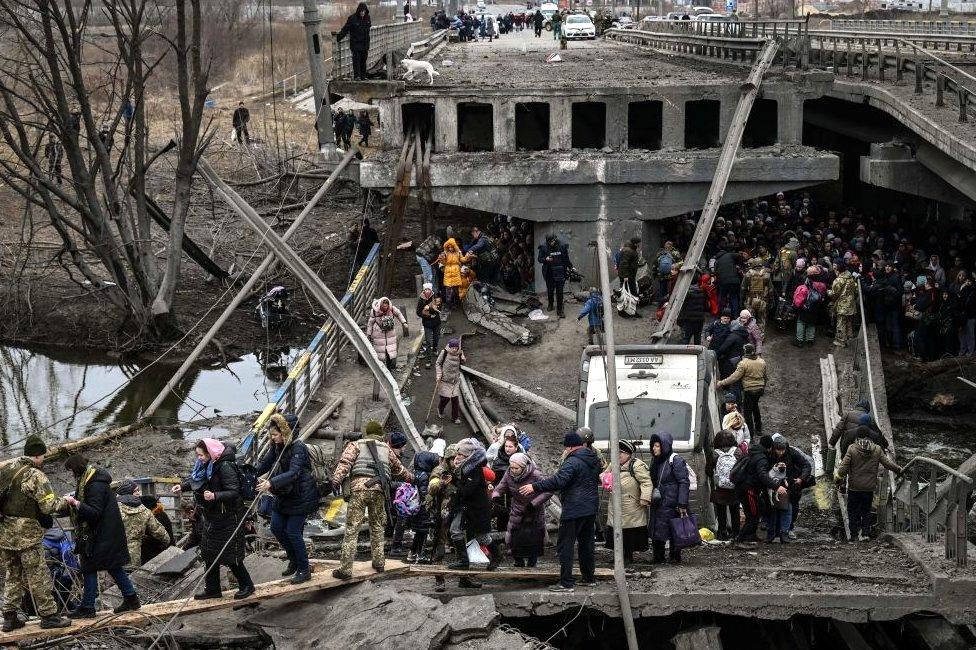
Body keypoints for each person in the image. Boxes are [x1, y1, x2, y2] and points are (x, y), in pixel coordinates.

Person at [0, 435, 72, 631]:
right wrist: (67, 501)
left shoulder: (7, 469)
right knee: (38, 574)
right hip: (27, 535)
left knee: (12, 575)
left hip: (5, 533)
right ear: (39, 455)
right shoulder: (36, 475)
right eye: (43, 456)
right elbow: (49, 506)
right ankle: (49, 616)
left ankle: (9, 617)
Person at [519, 431, 601, 593]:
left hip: (574, 509)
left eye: (565, 448)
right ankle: (588, 578)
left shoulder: (572, 462)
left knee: (566, 545)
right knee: (586, 544)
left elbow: (559, 481)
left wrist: (534, 486)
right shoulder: (594, 459)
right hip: (590, 508)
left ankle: (566, 582)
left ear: (569, 447)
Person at [62, 454, 142, 617]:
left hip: (100, 534)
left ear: (76, 469)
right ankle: (131, 598)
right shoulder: (91, 480)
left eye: (71, 470)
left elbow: (95, 512)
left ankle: (88, 606)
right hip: (107, 532)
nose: (71, 474)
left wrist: (75, 503)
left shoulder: (94, 485)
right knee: (113, 566)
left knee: (89, 567)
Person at [331, 420, 413, 580]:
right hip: (379, 492)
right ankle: (379, 562)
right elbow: (400, 470)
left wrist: (336, 480)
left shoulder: (355, 445)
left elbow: (345, 464)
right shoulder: (386, 449)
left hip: (359, 490)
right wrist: (412, 478)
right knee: (377, 527)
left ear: (366, 432)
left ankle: (346, 569)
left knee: (352, 530)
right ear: (381, 435)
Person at [172, 440, 253, 600]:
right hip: (212, 516)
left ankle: (247, 585)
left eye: (201, 455)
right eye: (198, 455)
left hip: (228, 516)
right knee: (209, 552)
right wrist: (182, 486)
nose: (199, 458)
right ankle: (213, 588)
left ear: (210, 453)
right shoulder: (207, 465)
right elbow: (199, 481)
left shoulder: (225, 466)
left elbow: (234, 491)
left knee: (230, 554)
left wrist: (215, 495)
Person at [254, 414, 319, 584]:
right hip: (283, 494)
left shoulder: (298, 448)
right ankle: (294, 559)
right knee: (276, 527)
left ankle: (304, 569)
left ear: (284, 432)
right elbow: (265, 464)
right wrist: (249, 475)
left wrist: (270, 483)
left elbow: (294, 473)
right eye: (271, 434)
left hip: (301, 496)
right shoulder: (277, 446)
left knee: (293, 532)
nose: (272, 438)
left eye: (275, 435)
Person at [835, 429, 903, 542]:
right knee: (866, 510)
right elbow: (887, 463)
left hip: (854, 487)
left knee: (852, 510)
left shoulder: (852, 449)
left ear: (857, 437)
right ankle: (865, 534)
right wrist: (899, 469)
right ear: (869, 437)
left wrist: (838, 478)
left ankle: (853, 535)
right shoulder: (877, 449)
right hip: (869, 487)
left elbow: (843, 469)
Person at [446, 438, 496, 583]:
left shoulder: (474, 470)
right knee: (456, 530)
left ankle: (496, 556)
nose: (457, 457)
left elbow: (467, 491)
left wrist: (454, 486)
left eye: (460, 454)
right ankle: (463, 561)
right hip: (465, 507)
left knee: (482, 537)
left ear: (468, 455)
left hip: (476, 508)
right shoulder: (465, 467)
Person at [492, 453, 550, 568]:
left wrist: (534, 503)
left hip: (534, 511)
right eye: (512, 467)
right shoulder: (508, 473)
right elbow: (501, 486)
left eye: (516, 468)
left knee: (533, 539)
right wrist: (496, 495)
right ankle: (518, 562)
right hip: (517, 509)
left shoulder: (535, 474)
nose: (513, 470)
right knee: (513, 537)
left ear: (523, 467)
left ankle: (531, 564)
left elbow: (548, 490)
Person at [604, 440, 651, 566]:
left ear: (629, 454)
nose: (619, 455)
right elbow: (604, 475)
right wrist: (605, 479)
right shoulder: (613, 464)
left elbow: (646, 482)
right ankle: (618, 556)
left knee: (629, 532)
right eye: (617, 452)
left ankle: (628, 556)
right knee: (616, 530)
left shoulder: (637, 465)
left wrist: (645, 498)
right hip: (615, 504)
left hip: (631, 505)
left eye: (622, 452)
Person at [734, 436, 785, 549]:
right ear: (769, 447)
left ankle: (751, 535)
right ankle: (740, 539)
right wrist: (776, 486)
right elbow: (762, 475)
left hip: (743, 488)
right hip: (749, 490)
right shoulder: (761, 458)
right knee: (753, 515)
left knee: (755, 510)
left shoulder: (751, 452)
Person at [646, 433, 690, 564]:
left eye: (657, 446)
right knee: (657, 530)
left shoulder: (675, 460)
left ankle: (675, 556)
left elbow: (684, 482)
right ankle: (658, 557)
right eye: (653, 445)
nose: (654, 448)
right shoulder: (655, 461)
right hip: (659, 501)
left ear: (665, 446)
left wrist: (682, 503)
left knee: (674, 530)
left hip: (672, 503)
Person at [115, 480, 170, 570]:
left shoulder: (112, 508)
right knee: (130, 581)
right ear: (130, 493)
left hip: (114, 557)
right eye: (136, 491)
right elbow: (161, 533)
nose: (139, 493)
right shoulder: (144, 511)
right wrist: (166, 542)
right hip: (134, 557)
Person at [717, 343, 766, 437]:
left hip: (749, 390)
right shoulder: (761, 361)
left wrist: (721, 383)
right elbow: (765, 376)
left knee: (747, 412)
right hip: (759, 389)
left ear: (745, 351)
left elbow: (734, 377)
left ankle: (750, 435)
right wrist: (763, 387)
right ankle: (759, 429)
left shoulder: (743, 363)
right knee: (755, 407)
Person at [770, 433, 813, 539]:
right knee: (775, 507)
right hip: (774, 484)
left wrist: (801, 478)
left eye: (782, 450)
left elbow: (806, 465)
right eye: (778, 450)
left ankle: (788, 528)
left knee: (791, 508)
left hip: (791, 485)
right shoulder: (770, 455)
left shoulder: (792, 453)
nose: (780, 452)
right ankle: (776, 530)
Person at [405, 450, 440, 563]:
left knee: (419, 532)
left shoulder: (415, 473)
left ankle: (413, 552)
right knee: (423, 531)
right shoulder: (425, 476)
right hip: (423, 509)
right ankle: (422, 554)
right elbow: (425, 493)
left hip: (415, 507)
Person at [707, 429, 742, 541]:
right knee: (734, 511)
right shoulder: (738, 452)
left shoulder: (714, 453)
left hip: (720, 488)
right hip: (734, 487)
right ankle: (736, 533)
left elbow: (708, 471)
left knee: (721, 511)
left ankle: (722, 533)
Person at [366, 297, 409, 372]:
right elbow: (370, 323)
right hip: (378, 334)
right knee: (380, 353)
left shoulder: (392, 309)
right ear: (380, 305)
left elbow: (399, 314)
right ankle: (380, 370)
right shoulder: (374, 311)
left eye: (387, 304)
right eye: (384, 305)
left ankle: (389, 370)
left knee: (390, 352)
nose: (385, 306)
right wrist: (369, 334)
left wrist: (404, 322)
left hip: (390, 334)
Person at [537, 234, 573, 318]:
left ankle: (560, 310)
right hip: (549, 272)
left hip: (560, 272)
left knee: (559, 292)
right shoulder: (543, 247)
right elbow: (539, 259)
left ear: (555, 239)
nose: (551, 243)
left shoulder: (562, 246)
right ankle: (550, 304)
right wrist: (546, 259)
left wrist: (571, 267)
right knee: (550, 290)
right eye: (549, 242)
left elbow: (566, 259)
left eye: (552, 241)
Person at [337, 3, 372, 81]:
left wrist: (367, 44)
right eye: (361, 11)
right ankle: (357, 76)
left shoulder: (367, 18)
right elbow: (345, 29)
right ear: (358, 11)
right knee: (356, 60)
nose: (363, 13)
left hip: (365, 44)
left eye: (364, 11)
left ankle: (363, 76)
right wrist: (338, 37)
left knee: (363, 60)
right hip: (355, 44)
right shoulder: (352, 18)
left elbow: (368, 31)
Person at [793, 268, 826, 347]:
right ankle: (810, 340)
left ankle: (799, 341)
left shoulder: (807, 282)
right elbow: (823, 295)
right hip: (816, 307)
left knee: (801, 322)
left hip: (805, 306)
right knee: (812, 323)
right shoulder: (822, 285)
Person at [829, 262, 860, 348]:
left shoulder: (838, 280)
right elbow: (856, 290)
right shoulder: (851, 278)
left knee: (841, 323)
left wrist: (827, 292)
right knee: (849, 322)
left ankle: (841, 341)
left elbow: (834, 294)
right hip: (851, 305)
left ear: (838, 271)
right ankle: (850, 338)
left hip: (842, 305)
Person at [435, 338, 465, 424]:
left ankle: (455, 418)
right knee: (445, 398)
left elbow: (462, 363)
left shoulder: (460, 353)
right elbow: (438, 363)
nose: (455, 349)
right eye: (453, 348)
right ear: (450, 347)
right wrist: (439, 374)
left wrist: (463, 359)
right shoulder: (444, 352)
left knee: (455, 400)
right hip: (445, 380)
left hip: (455, 380)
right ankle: (440, 409)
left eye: (456, 348)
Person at [139, 495, 175, 565]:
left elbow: (160, 538)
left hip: (160, 553)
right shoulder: (161, 514)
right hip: (164, 550)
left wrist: (145, 538)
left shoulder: (156, 518)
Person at [740, 258, 773, 331]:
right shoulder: (766, 275)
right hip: (762, 300)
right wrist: (771, 300)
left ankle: (751, 336)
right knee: (761, 319)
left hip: (750, 300)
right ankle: (760, 336)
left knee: (750, 319)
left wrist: (741, 299)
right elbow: (770, 289)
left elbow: (743, 288)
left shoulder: (748, 274)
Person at [437, 238, 472, 307]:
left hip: (456, 274)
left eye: (451, 247)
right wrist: (441, 259)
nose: (450, 248)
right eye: (449, 247)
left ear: (454, 246)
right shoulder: (445, 253)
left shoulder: (458, 252)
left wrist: (467, 257)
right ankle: (448, 306)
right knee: (448, 293)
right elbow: (443, 263)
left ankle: (458, 305)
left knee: (456, 292)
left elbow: (463, 260)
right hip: (448, 274)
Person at [416, 284, 442, 368]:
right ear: (424, 290)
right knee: (428, 342)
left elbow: (439, 307)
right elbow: (418, 312)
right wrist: (428, 316)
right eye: (426, 289)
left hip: (436, 322)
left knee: (436, 338)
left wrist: (429, 308)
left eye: (429, 289)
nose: (427, 291)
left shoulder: (435, 297)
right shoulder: (421, 300)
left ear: (431, 290)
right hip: (427, 324)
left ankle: (435, 349)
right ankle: (428, 360)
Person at [713, 245, 742, 315]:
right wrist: (738, 264)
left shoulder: (716, 262)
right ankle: (735, 315)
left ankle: (720, 313)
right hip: (734, 281)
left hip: (723, 282)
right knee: (733, 296)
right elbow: (739, 255)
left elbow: (715, 273)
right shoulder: (729, 255)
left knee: (721, 296)